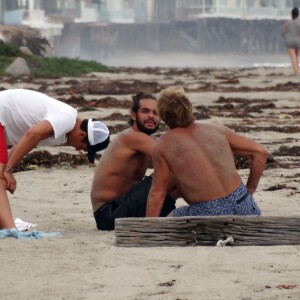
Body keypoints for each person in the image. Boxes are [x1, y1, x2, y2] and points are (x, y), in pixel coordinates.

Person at [146, 87, 268, 218]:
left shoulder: (162, 146)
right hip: (242, 201)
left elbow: (157, 193)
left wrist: (149, 227)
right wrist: (249, 190)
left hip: (209, 210)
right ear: (189, 108)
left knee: (169, 218)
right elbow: (260, 152)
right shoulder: (218, 130)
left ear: (163, 115)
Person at [0, 88, 110, 229]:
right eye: (83, 147)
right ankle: (10, 229)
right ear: (82, 135)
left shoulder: (63, 127)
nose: (78, 150)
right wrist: (7, 170)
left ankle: (5, 225)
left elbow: (24, 142)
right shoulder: (66, 119)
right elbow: (32, 135)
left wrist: (7, 168)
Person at [91, 91, 177, 230]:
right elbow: (172, 157)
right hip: (108, 213)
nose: (151, 116)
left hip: (121, 207)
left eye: (156, 113)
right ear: (133, 115)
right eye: (145, 111)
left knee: (174, 177)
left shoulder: (143, 139)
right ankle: (207, 207)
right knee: (173, 173)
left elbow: (167, 148)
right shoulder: (132, 137)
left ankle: (169, 214)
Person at [282, 7, 300, 76]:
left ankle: (296, 71)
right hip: (298, 41)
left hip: (290, 41)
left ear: (292, 14)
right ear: (298, 14)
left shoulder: (288, 22)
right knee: (296, 56)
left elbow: (284, 31)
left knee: (293, 56)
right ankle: (297, 69)